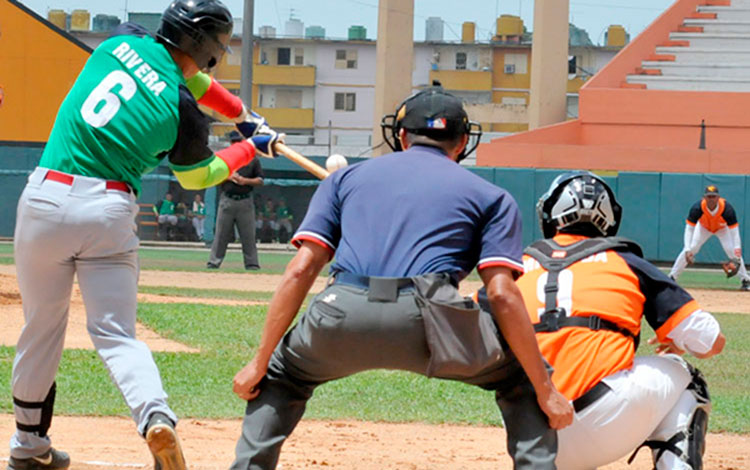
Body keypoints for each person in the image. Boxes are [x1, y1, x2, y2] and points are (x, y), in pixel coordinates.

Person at [229, 85, 573, 470]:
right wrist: (545, 390)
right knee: (522, 376)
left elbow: (301, 269)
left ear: (403, 136)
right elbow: (503, 296)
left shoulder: (343, 181)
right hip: (432, 320)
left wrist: (258, 363)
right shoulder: (491, 196)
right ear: (462, 142)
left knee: (281, 375)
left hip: (341, 311)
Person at [8, 1, 283, 469]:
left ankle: (29, 448)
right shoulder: (183, 110)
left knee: (41, 329)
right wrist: (247, 143)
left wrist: (241, 114)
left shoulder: (121, 39)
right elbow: (198, 175)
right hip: (108, 212)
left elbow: (184, 73)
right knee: (116, 335)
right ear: (213, 51)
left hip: (46, 201)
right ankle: (156, 417)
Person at [481, 171, 725, 469]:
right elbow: (711, 341)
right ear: (610, 219)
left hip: (530, 434)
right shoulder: (625, 261)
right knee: (689, 379)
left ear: (551, 214)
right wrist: (678, 339)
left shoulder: (516, 269)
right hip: (604, 422)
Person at [669, 184, 750, 290]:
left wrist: (737, 254)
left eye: (714, 196)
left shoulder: (727, 209)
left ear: (718, 197)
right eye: (709, 196)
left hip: (722, 229)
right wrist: (688, 249)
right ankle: (671, 278)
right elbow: (689, 229)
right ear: (704, 197)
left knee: (732, 251)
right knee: (691, 248)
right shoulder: (697, 208)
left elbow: (735, 233)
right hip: (703, 228)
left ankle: (746, 280)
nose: (711, 199)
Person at [207, 131, 264, 270]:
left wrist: (245, 181)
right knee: (221, 234)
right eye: (233, 141)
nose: (235, 144)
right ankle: (214, 262)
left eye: (238, 141)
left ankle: (252, 264)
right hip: (227, 199)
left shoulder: (252, 159)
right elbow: (213, 176)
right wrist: (228, 176)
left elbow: (260, 180)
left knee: (248, 235)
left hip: (245, 201)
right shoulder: (224, 157)